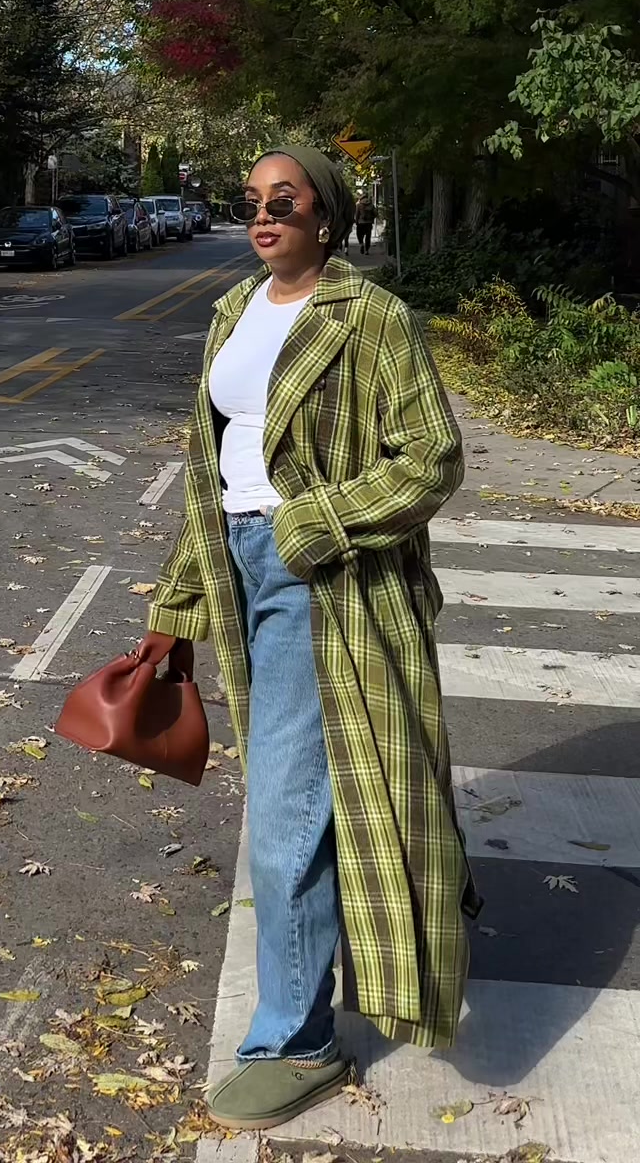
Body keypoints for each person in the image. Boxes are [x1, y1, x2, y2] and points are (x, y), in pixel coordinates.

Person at [140, 145, 475, 1133]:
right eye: (249, 201)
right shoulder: (233, 310)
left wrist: (315, 524)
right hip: (239, 560)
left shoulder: (370, 317)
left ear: (326, 216)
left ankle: (296, 1039)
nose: (263, 215)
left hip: (321, 576)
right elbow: (211, 465)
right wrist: (178, 599)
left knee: (288, 807)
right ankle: (310, 999)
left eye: (283, 201)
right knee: (294, 792)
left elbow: (431, 458)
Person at [354, 188, 377, 255]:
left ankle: (361, 243)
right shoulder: (371, 205)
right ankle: (367, 250)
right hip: (369, 223)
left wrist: (356, 221)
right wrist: (372, 218)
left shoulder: (359, 205)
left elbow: (357, 214)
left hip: (360, 223)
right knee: (368, 237)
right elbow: (375, 213)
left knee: (359, 235)